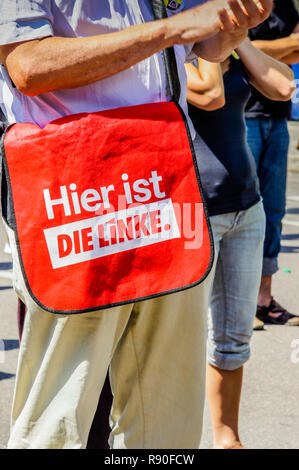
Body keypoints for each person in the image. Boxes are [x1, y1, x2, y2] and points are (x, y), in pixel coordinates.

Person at [0, 0, 273, 449]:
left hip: (166, 185)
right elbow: (29, 66)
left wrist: (234, 23)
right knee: (60, 414)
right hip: (77, 200)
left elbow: (202, 48)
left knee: (166, 413)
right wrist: (172, 28)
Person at [186, 37, 294, 448]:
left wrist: (238, 39)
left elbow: (284, 86)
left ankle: (227, 438)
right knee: (179, 339)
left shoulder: (231, 48)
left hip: (245, 209)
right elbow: (210, 93)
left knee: (233, 338)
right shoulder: (176, 53)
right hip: (195, 213)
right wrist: (205, 35)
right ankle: (173, 439)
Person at [245, 0, 299, 327]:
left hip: (277, 118)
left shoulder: (287, 7)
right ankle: (238, 303)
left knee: (274, 212)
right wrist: (288, 46)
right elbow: (236, 50)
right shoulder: (242, 4)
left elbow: (281, 55)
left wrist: (259, 54)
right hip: (243, 116)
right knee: (242, 212)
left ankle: (263, 300)